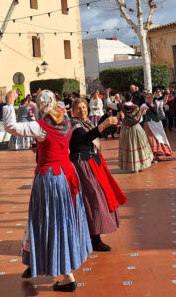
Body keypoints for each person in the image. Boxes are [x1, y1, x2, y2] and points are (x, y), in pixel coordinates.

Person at [1, 89, 92, 292]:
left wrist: (9, 104)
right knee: (64, 219)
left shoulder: (41, 126)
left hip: (51, 178)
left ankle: (67, 276)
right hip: (68, 175)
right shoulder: (65, 120)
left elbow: (10, 127)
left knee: (49, 221)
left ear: (40, 106)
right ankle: (34, 260)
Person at [69, 97, 125, 251]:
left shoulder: (85, 123)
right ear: (72, 111)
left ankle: (93, 237)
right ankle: (93, 238)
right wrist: (103, 125)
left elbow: (96, 135)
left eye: (84, 107)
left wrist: (111, 124)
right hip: (82, 166)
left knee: (96, 197)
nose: (82, 110)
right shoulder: (74, 126)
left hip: (91, 163)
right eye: (78, 108)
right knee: (92, 198)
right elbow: (84, 139)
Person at [117, 92, 153, 173]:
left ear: (124, 98)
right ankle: (140, 165)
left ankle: (132, 167)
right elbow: (139, 118)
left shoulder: (122, 106)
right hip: (136, 128)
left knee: (129, 147)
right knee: (138, 146)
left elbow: (110, 104)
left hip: (125, 129)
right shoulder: (136, 107)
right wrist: (143, 110)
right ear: (132, 98)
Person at [143, 90, 172, 162]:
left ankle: (156, 156)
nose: (148, 99)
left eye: (150, 97)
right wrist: (142, 110)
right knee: (151, 140)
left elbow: (164, 101)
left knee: (159, 138)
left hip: (157, 124)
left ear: (152, 98)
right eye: (147, 97)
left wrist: (167, 94)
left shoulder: (157, 103)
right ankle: (153, 157)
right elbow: (140, 112)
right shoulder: (144, 105)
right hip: (149, 124)